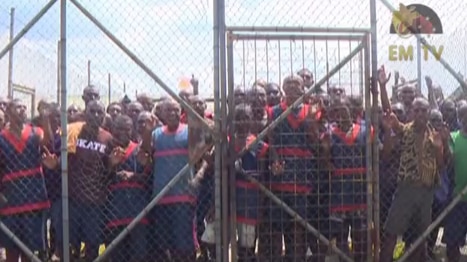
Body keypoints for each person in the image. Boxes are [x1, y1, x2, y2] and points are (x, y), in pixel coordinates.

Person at [379, 97, 449, 262]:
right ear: (411, 112)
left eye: (423, 110)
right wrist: (382, 86)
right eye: (416, 110)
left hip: (426, 192)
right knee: (391, 234)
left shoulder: (434, 136)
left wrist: (440, 147)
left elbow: (441, 166)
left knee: (421, 237)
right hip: (406, 190)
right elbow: (390, 114)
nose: (420, 114)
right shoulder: (405, 130)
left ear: (428, 113)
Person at [264, 75, 321, 261]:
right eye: (288, 83)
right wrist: (274, 161)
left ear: (303, 87)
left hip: (302, 175)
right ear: (283, 87)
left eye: (296, 83)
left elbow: (315, 141)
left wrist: (312, 122)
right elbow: (271, 142)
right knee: (277, 228)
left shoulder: (310, 110)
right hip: (281, 177)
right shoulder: (273, 112)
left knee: (298, 228)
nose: (292, 87)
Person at [61, 100, 119, 261]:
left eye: (99, 112)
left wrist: (111, 163)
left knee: (93, 245)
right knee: (72, 243)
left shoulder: (108, 138)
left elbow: (109, 170)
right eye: (92, 111)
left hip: (95, 201)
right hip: (73, 199)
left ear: (104, 116)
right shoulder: (74, 131)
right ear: (85, 113)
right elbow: (65, 161)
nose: (95, 115)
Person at [142, 99, 198, 262]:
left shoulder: (189, 131)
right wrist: (147, 132)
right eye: (168, 110)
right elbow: (145, 152)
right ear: (162, 114)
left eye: (176, 110)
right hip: (160, 198)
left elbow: (205, 154)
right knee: (163, 246)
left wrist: (198, 177)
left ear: (181, 113)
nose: (173, 114)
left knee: (184, 246)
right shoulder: (156, 134)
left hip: (184, 197)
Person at [0, 98, 55, 262]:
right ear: (8, 111)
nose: (22, 110)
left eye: (24, 107)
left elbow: (48, 141)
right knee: (11, 249)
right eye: (18, 107)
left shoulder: (35, 131)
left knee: (29, 250)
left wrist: (45, 118)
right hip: (10, 199)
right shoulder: (2, 137)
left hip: (34, 198)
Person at [324, 97, 374, 261]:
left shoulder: (366, 130)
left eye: (346, 109)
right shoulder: (329, 133)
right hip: (340, 192)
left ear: (353, 112)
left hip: (360, 191)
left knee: (360, 235)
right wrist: (325, 153)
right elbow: (325, 161)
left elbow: (375, 154)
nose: (343, 113)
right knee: (341, 236)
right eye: (339, 110)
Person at [105, 115, 151, 262]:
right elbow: (100, 180)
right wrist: (111, 164)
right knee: (118, 256)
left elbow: (150, 180)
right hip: (115, 213)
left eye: (127, 129)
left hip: (137, 213)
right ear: (112, 129)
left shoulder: (139, 150)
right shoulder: (107, 150)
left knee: (139, 256)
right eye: (119, 129)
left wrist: (134, 175)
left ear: (132, 131)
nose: (122, 132)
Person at [443, 103, 467, 262]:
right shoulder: (452, 137)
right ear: (460, 118)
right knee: (452, 245)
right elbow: (448, 161)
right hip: (457, 200)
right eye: (464, 114)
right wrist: (445, 142)